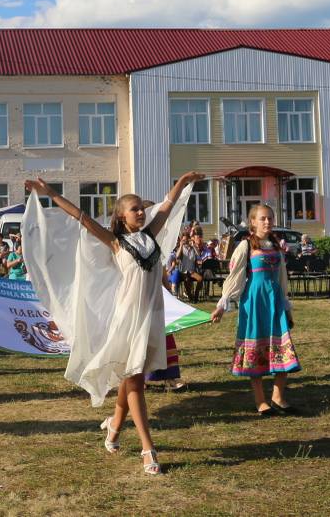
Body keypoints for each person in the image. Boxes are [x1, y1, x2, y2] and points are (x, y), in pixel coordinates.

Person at [24, 172, 201, 476]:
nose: (141, 212)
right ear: (121, 216)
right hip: (128, 319)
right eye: (134, 209)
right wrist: (50, 192)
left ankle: (114, 427)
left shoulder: (151, 235)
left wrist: (182, 182)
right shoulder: (116, 243)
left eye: (142, 208)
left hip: (150, 317)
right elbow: (81, 217)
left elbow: (167, 206)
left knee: (134, 379)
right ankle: (148, 448)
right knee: (134, 381)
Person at [210, 203, 300, 415]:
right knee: (255, 347)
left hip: (275, 301)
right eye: (262, 218)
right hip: (254, 302)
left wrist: (286, 308)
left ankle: (278, 396)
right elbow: (235, 278)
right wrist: (222, 305)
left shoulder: (276, 245)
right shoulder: (246, 246)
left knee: (284, 348)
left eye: (270, 217)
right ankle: (261, 401)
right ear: (252, 222)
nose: (267, 221)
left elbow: (282, 278)